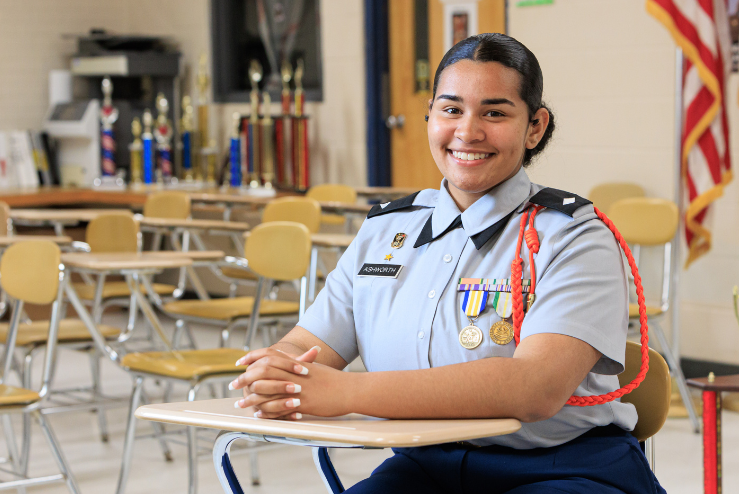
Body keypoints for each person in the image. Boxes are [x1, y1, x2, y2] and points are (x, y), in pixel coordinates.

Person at [229, 33, 666, 493]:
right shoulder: (384, 232)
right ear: (430, 117)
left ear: (535, 126)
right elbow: (308, 345)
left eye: (494, 112)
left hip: (564, 468)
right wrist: (278, 370)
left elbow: (534, 387)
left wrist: (344, 393)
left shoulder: (575, 237)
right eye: (451, 109)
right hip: (427, 467)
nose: (468, 131)